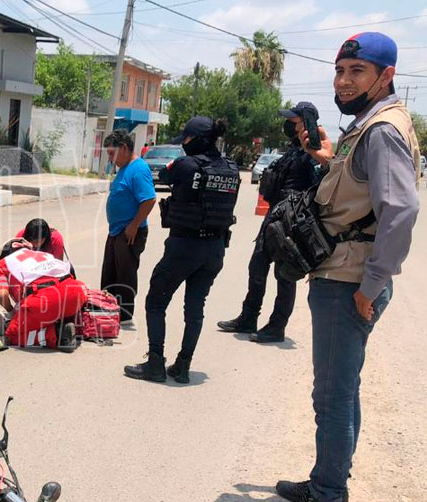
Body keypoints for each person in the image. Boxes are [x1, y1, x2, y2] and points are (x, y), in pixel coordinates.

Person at [275, 32, 420, 502]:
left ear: (386, 75)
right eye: (340, 71)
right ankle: (329, 479)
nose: (344, 81)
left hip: (348, 281)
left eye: (357, 71)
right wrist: (325, 158)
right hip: (345, 275)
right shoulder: (371, 124)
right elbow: (359, 189)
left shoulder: (381, 130)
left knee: (332, 396)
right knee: (343, 389)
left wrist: (370, 286)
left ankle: (328, 491)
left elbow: (401, 211)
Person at [123, 116, 239, 384]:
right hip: (215, 249)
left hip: (185, 246)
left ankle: (155, 364)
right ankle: (183, 366)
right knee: (195, 308)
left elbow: (165, 176)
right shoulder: (231, 169)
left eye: (185, 139)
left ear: (196, 139)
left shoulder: (186, 165)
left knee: (156, 301)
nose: (183, 144)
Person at [217, 103, 320, 343]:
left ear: (306, 122)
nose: (288, 125)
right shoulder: (293, 149)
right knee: (257, 265)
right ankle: (248, 317)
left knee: (285, 274)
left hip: (291, 221)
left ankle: (277, 326)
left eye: (293, 120)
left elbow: (317, 188)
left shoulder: (313, 152)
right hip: (274, 216)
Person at [100, 129, 156, 326]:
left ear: (123, 148)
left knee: (125, 274)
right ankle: (107, 310)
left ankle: (123, 316)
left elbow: (149, 200)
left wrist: (133, 225)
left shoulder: (138, 169)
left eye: (111, 153)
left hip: (129, 232)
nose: (110, 158)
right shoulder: (124, 168)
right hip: (117, 231)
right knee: (110, 273)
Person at [0, 238, 87, 352]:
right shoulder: (44, 254)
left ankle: (58, 334)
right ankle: (82, 324)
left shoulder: (3, 263)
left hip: (44, 300)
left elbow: (1, 295)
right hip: (76, 290)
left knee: (12, 336)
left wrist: (11, 312)